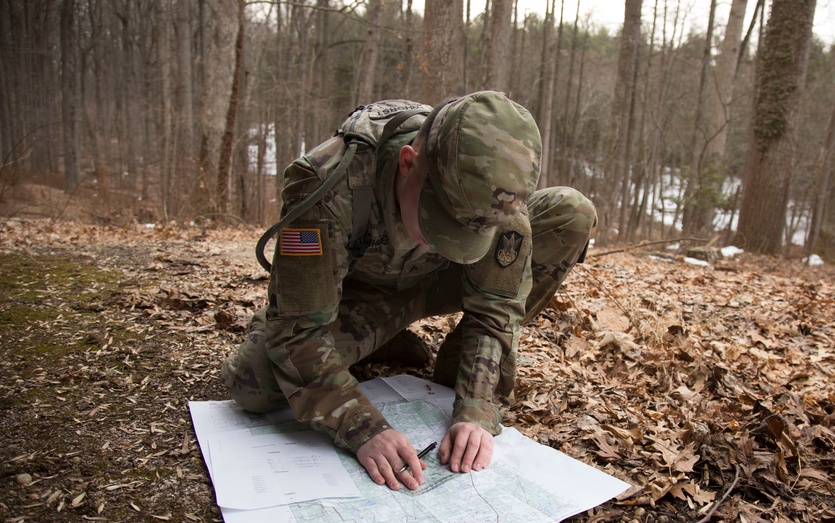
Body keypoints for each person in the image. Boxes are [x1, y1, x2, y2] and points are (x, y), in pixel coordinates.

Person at [222, 91, 596, 491]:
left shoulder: (498, 194)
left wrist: (475, 410)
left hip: (439, 282)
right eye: (440, 222)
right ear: (407, 164)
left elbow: (497, 309)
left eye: (469, 232)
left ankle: (448, 365)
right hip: (363, 297)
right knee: (254, 381)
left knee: (572, 213)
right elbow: (297, 331)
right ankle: (380, 338)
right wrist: (363, 428)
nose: (447, 242)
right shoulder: (330, 184)